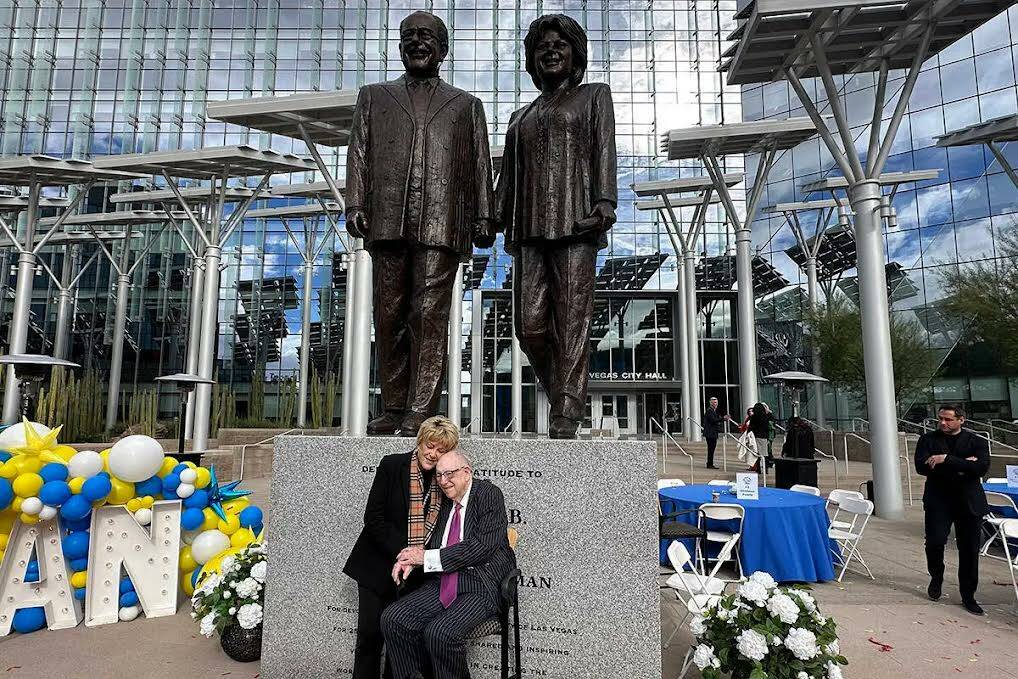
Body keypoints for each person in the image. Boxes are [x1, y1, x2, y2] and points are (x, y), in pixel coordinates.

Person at [345, 11, 495, 436]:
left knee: (429, 313)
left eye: (426, 36)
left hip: (441, 222)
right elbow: (358, 152)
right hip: (387, 218)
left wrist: (485, 214)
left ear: (443, 49)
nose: (417, 42)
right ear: (399, 46)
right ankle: (393, 405)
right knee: (389, 314)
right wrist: (355, 202)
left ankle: (421, 407)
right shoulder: (374, 96)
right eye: (408, 36)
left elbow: (480, 164)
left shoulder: (466, 105)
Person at [495, 14, 618, 439]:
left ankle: (566, 409)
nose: (550, 50)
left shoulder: (593, 97)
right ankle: (565, 394)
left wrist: (605, 201)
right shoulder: (520, 117)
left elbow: (604, 149)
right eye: (541, 46)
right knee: (529, 328)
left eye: (560, 44)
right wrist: (488, 218)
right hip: (528, 230)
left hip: (576, 224)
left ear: (576, 54)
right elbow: (506, 180)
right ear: (531, 59)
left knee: (571, 322)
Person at [382, 450, 517, 679]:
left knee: (440, 632)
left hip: (480, 586)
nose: (444, 481)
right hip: (442, 582)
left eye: (450, 474)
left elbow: (481, 547)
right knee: (393, 618)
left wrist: (424, 558)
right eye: (439, 475)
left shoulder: (488, 494)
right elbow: (432, 543)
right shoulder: (443, 502)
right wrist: (410, 560)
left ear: (466, 473)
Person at [344, 416, 459, 679]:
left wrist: (417, 561)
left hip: (415, 576)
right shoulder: (392, 465)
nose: (433, 453)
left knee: (400, 644)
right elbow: (373, 518)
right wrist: (405, 554)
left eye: (441, 450)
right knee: (370, 638)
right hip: (377, 566)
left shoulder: (444, 481)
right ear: (420, 441)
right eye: (430, 445)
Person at [914, 404, 990, 615]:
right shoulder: (928, 440)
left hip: (969, 502)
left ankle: (968, 595)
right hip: (939, 500)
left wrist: (945, 459)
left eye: (948, 419)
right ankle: (936, 576)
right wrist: (965, 464)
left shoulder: (977, 441)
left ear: (961, 420)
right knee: (935, 541)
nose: (943, 423)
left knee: (969, 549)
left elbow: (981, 467)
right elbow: (922, 467)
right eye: (940, 419)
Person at [701, 397, 731, 470]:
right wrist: (723, 418)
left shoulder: (714, 411)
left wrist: (722, 419)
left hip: (713, 433)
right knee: (711, 449)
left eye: (716, 402)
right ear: (711, 403)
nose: (716, 404)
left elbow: (716, 420)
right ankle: (709, 464)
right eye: (714, 402)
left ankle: (710, 463)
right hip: (710, 433)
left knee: (712, 449)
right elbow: (713, 420)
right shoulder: (709, 411)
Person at [747, 402, 774, 473]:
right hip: (764, 436)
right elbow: (768, 426)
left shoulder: (753, 417)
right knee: (765, 454)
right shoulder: (765, 417)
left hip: (756, 436)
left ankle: (758, 469)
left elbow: (751, 427)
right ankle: (766, 469)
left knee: (757, 454)